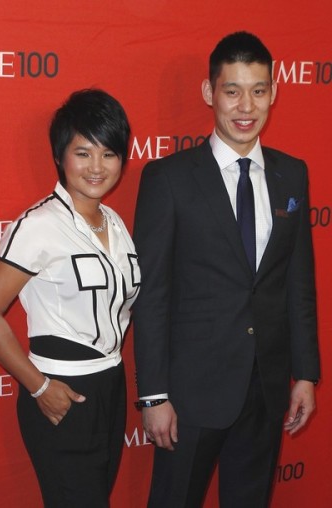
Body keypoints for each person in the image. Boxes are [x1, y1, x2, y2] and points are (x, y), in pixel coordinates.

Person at [133, 31, 319, 508]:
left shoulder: (292, 173)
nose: (246, 105)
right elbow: (150, 295)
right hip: (190, 393)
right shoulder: (168, 179)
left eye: (258, 90)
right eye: (232, 90)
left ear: (274, 93)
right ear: (208, 93)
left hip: (265, 386)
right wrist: (153, 395)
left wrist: (304, 373)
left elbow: (297, 283)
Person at [0, 89, 140, 508]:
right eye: (83, 153)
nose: (96, 167)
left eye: (108, 154)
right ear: (60, 157)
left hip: (110, 387)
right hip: (62, 391)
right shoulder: (38, 225)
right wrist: (39, 386)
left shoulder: (115, 223)